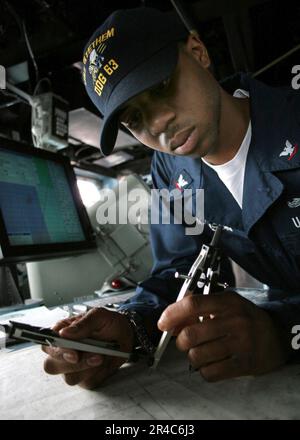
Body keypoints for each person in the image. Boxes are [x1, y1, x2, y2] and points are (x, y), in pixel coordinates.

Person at [43, 7, 300, 389]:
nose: (157, 123)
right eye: (134, 118)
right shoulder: (172, 174)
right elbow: (180, 270)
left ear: (198, 52)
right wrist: (132, 326)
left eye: (161, 85)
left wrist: (284, 334)